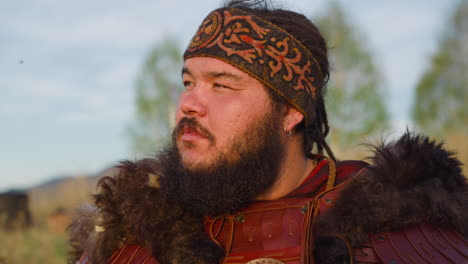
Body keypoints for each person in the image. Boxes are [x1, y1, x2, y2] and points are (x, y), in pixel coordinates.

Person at [68, 1, 468, 263]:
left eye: (221, 85)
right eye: (189, 82)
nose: (188, 103)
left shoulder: (399, 232)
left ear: (291, 111)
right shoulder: (135, 236)